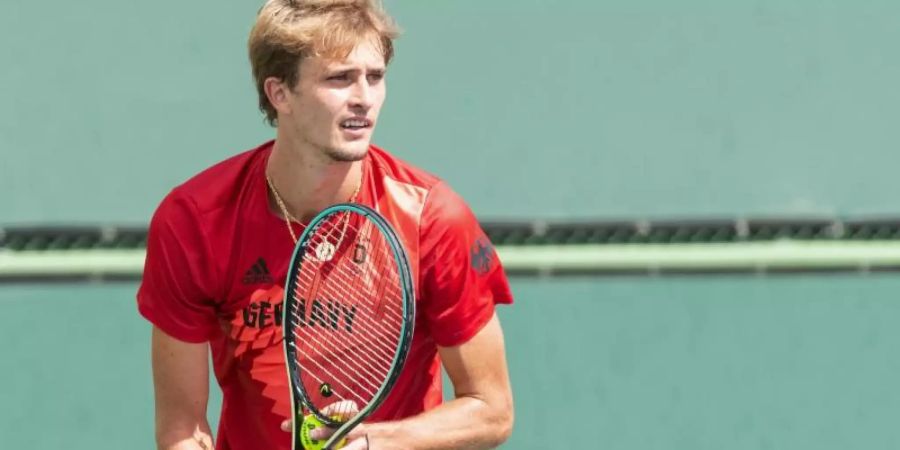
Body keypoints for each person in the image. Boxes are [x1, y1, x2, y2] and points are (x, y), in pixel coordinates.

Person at [136, 1, 514, 449]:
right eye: (339, 78)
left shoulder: (432, 219)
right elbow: (182, 427)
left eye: (375, 77)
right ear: (279, 93)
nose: (364, 98)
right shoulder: (194, 221)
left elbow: (491, 409)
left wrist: (371, 443)